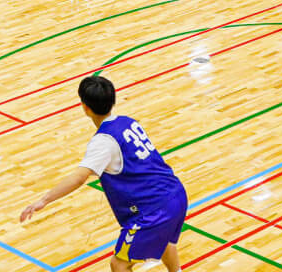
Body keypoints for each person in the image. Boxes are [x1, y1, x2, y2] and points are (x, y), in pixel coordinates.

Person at [18, 75, 188, 272]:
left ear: (85, 107)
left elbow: (79, 177)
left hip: (153, 210)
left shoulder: (103, 141)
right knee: (163, 239)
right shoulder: (127, 122)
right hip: (176, 194)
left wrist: (43, 200)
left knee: (119, 264)